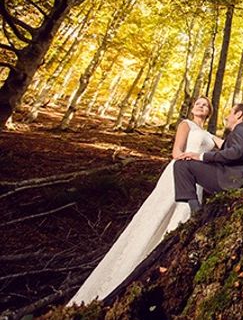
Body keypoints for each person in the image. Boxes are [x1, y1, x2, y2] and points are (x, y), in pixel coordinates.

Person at [68, 97, 217, 305]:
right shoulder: (186, 125)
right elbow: (176, 152)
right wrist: (192, 159)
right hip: (180, 171)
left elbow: (230, 148)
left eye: (205, 105)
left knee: (185, 215)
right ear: (193, 109)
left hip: (196, 178)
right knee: (168, 212)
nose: (201, 106)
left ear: (209, 111)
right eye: (198, 104)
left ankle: (164, 262)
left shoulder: (210, 136)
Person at [174, 103, 243, 213]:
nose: (227, 117)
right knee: (183, 165)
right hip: (233, 175)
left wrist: (201, 156)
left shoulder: (242, 128)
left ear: (238, 114)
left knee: (182, 165)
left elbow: (235, 153)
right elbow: (229, 151)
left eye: (230, 113)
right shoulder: (242, 131)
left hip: (234, 178)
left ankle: (196, 211)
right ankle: (196, 209)